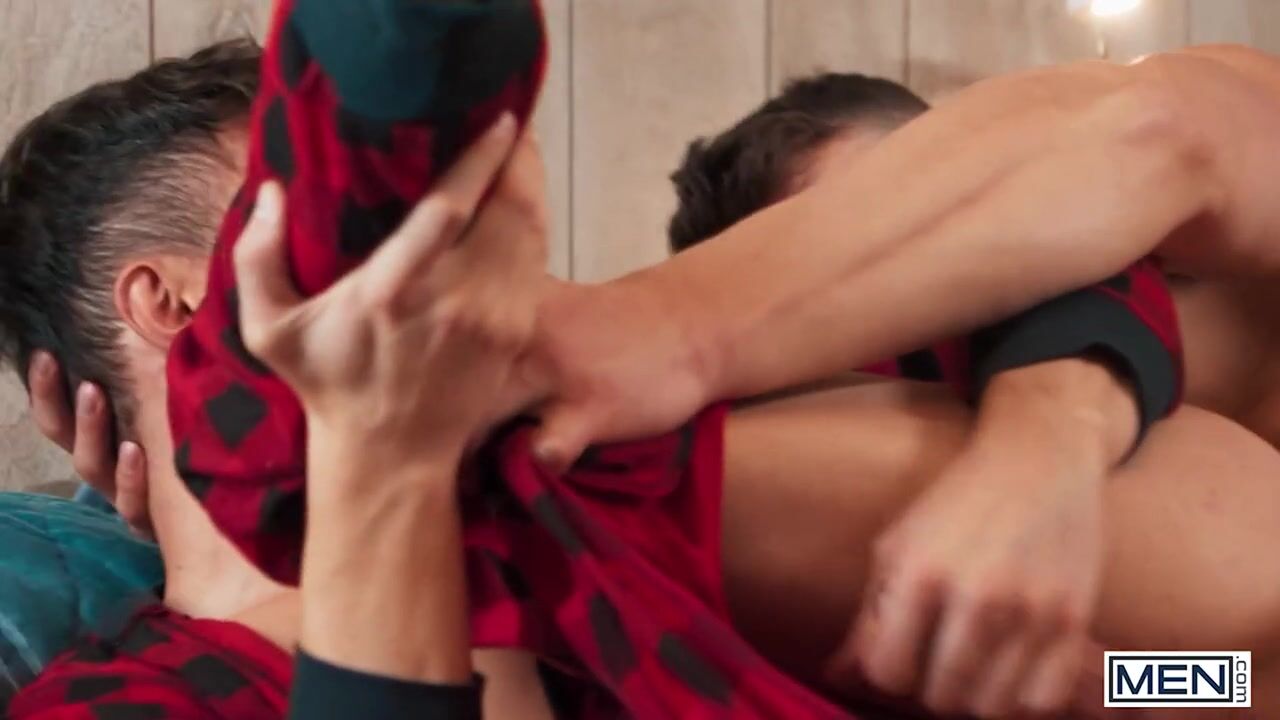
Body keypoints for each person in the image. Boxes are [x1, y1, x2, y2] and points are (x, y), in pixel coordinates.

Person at [5, 43, 1280, 720]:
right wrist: (380, 478)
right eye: (364, 200)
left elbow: (1188, 125)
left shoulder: (615, 462)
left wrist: (1044, 449)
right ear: (175, 303)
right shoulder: (145, 700)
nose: (469, 228)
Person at [665, 69, 1280, 714]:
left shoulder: (1207, 171)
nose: (936, 274)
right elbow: (1235, 684)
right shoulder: (881, 466)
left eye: (924, 224)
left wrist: (1040, 450)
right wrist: (1121, 688)